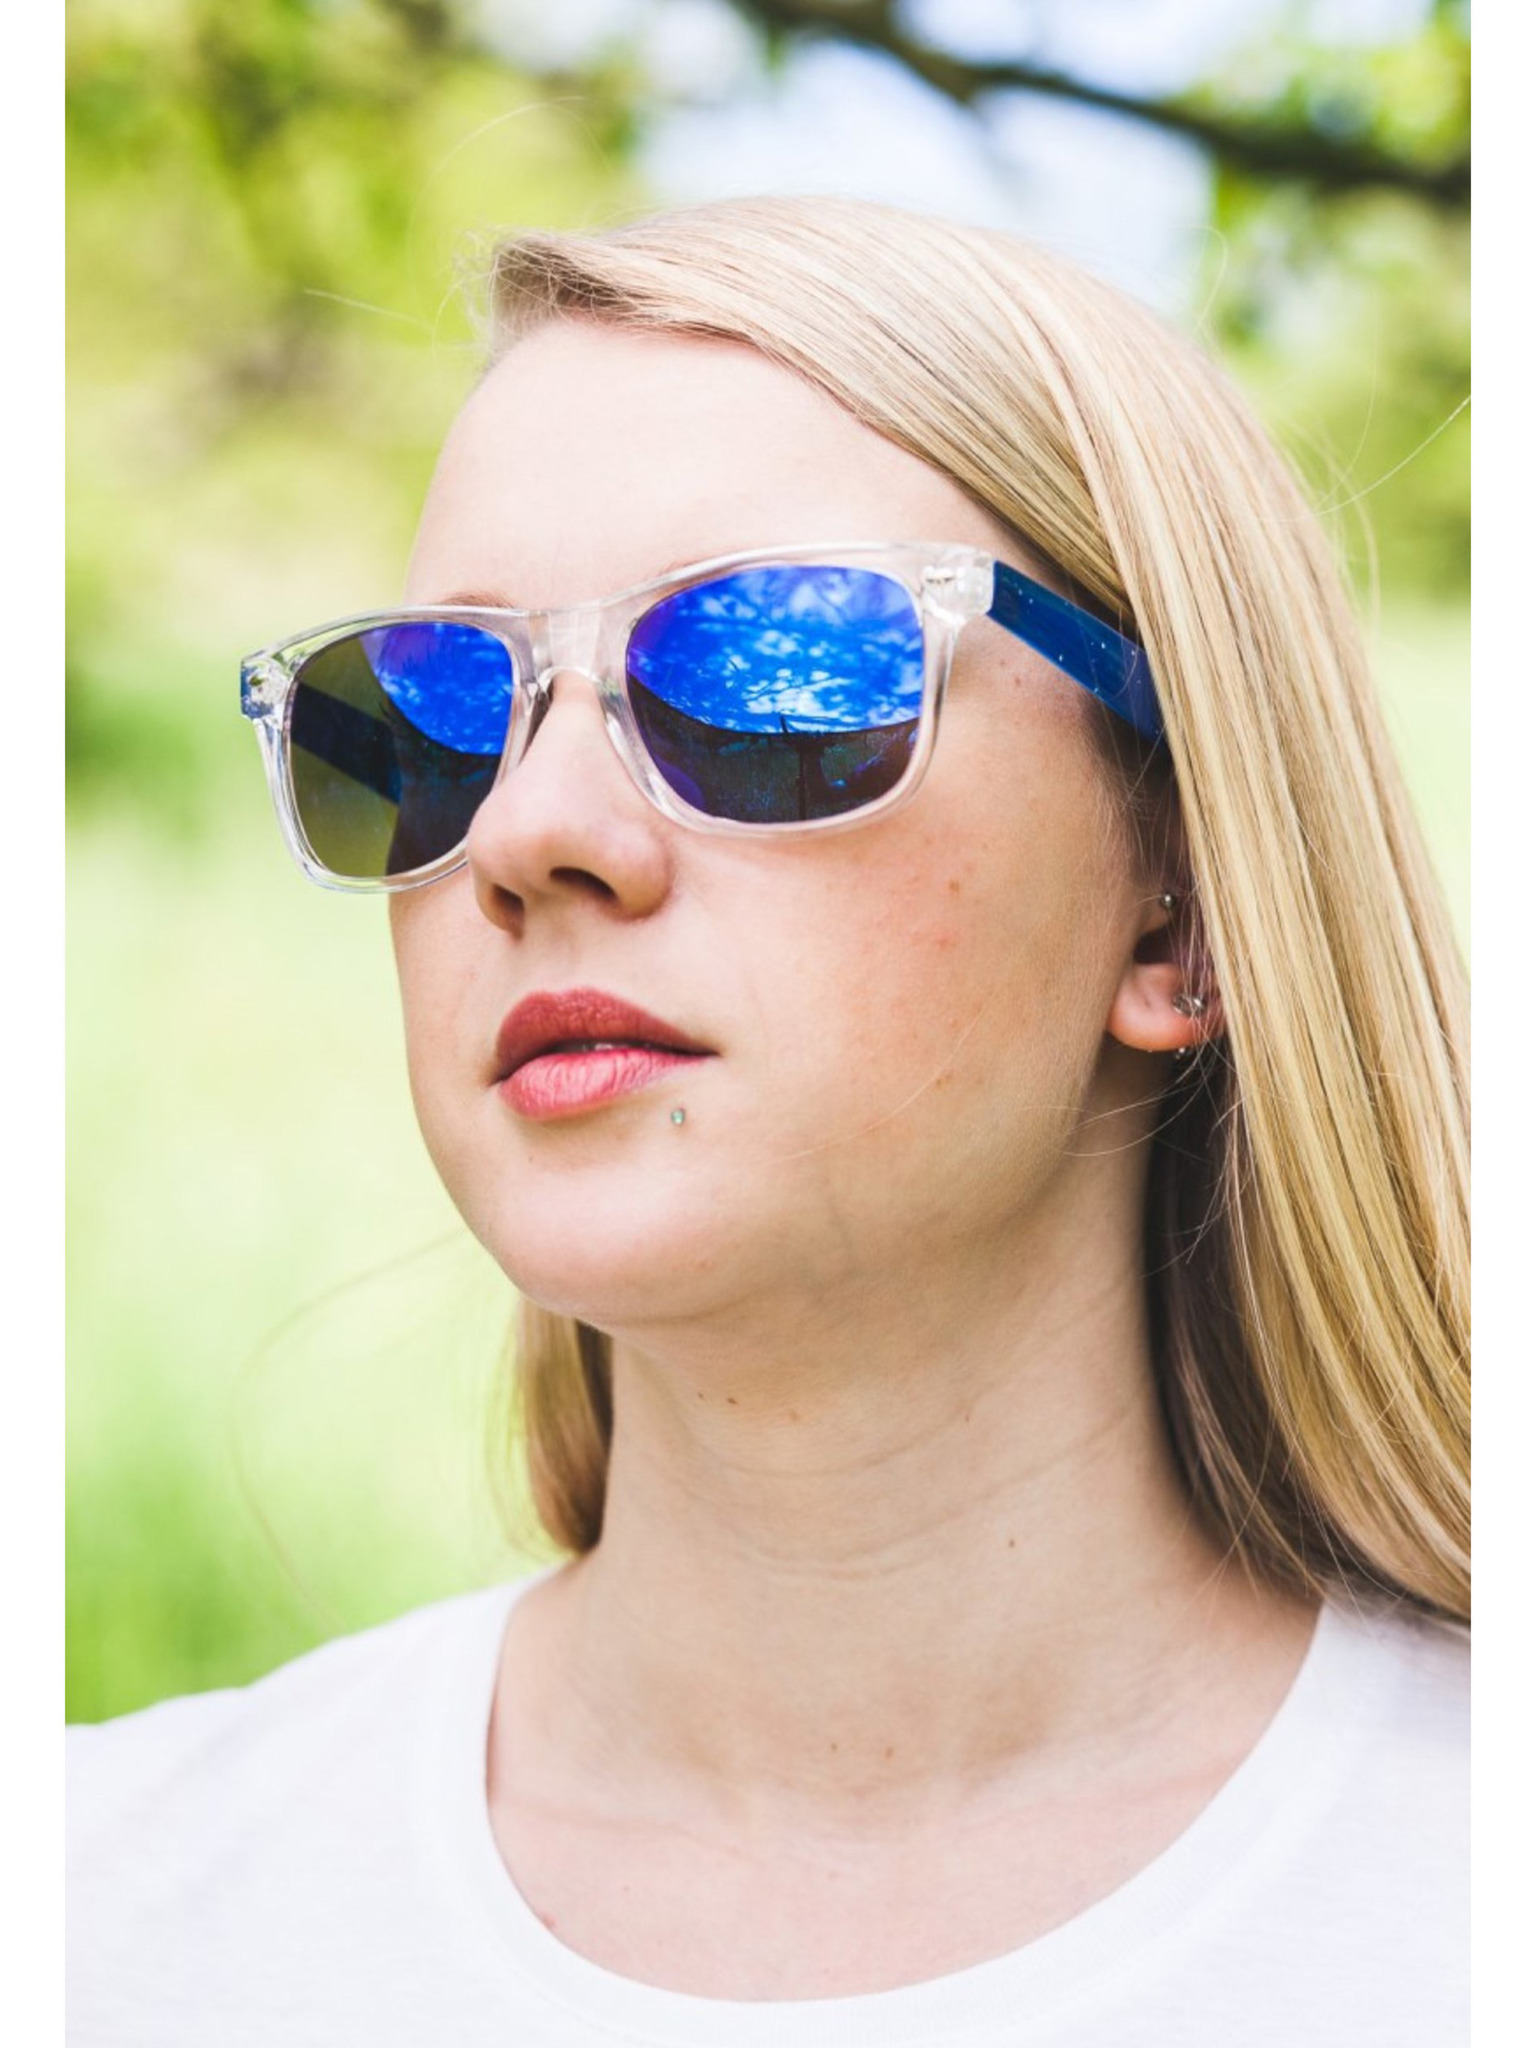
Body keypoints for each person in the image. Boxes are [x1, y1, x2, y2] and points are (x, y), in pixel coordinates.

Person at [68, 196, 1469, 2045]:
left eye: (763, 673)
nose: (529, 832)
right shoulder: (95, 1911)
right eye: (431, 719)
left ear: (1183, 909)